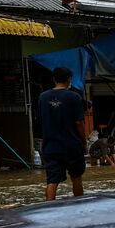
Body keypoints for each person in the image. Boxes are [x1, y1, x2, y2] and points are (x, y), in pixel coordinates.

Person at [38, 67, 91, 201]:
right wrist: (84, 142)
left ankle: (49, 208)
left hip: (51, 146)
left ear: (54, 79)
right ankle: (79, 205)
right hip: (71, 145)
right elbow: (79, 123)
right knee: (76, 178)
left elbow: (42, 121)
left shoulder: (43, 98)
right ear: (69, 80)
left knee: (52, 181)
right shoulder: (74, 97)